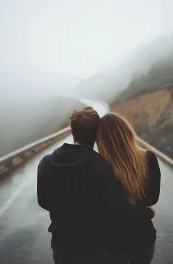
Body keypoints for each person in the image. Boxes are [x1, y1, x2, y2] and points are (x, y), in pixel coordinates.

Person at [37, 107, 155, 264]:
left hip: (60, 240)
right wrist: (148, 213)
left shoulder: (46, 162)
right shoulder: (101, 165)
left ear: (72, 131)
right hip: (91, 245)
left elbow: (43, 202)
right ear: (97, 134)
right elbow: (118, 208)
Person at [96, 112, 161, 264]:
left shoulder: (98, 164)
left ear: (100, 138)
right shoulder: (148, 157)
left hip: (111, 241)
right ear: (127, 131)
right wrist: (144, 210)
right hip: (143, 238)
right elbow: (152, 198)